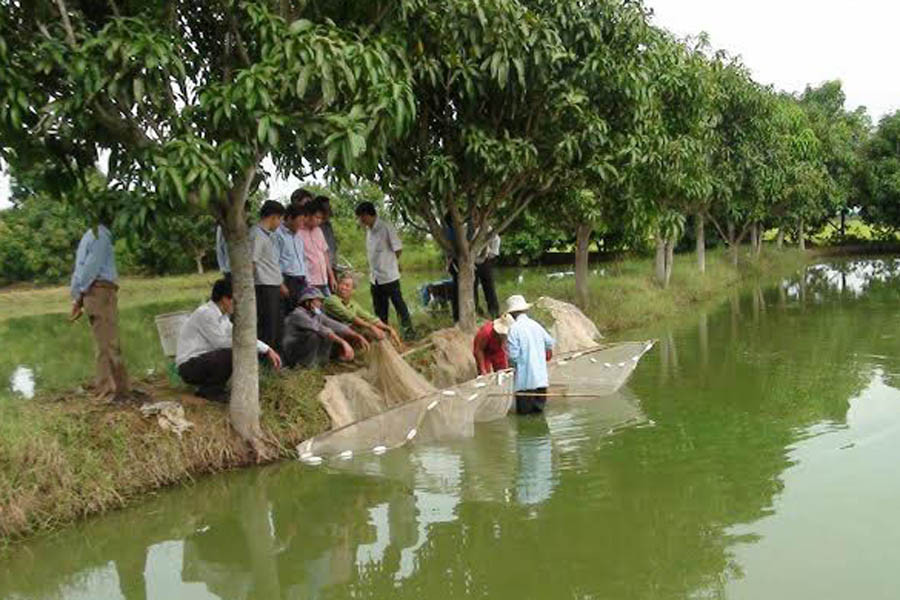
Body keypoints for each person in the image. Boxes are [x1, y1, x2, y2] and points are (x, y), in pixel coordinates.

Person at [176, 279, 282, 401]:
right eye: (234, 300)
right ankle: (210, 391)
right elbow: (220, 343)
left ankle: (214, 388)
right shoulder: (206, 314)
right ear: (225, 299)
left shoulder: (223, 317)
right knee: (231, 353)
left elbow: (240, 336)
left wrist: (267, 349)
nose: (237, 304)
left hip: (202, 361)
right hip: (189, 367)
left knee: (237, 349)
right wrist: (259, 348)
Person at [69, 222, 130, 400]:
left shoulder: (89, 235)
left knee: (105, 343)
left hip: (92, 292)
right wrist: (80, 295)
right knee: (108, 344)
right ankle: (110, 391)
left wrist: (78, 298)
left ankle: (115, 389)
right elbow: (90, 269)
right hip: (100, 290)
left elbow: (80, 270)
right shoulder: (100, 235)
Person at [356, 201, 415, 338]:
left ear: (367, 215)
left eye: (361, 217)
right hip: (374, 277)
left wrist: (392, 263)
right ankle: (384, 334)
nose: (360, 220)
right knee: (380, 308)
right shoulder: (368, 230)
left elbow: (398, 248)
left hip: (389, 276)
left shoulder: (385, 227)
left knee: (399, 305)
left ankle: (409, 332)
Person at [282, 287, 370, 368]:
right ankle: (304, 365)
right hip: (293, 351)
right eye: (318, 301)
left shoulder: (315, 313)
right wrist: (343, 342)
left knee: (331, 332)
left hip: (302, 346)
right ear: (308, 302)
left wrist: (356, 335)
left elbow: (333, 324)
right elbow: (321, 329)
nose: (320, 304)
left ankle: (321, 363)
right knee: (316, 334)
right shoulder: (298, 314)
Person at [506, 294, 555, 415]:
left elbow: (513, 356)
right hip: (541, 382)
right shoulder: (536, 325)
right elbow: (549, 343)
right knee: (539, 416)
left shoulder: (514, 329)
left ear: (512, 314)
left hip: (525, 384)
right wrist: (539, 355)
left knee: (525, 419)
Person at [324, 272, 403, 347]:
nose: (343, 288)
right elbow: (350, 316)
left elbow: (369, 318)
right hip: (331, 337)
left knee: (378, 332)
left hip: (346, 334)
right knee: (369, 331)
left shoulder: (353, 303)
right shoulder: (331, 300)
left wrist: (389, 329)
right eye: (341, 284)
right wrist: (371, 327)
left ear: (353, 290)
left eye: (347, 286)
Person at [250, 200, 288, 353]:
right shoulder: (256, 234)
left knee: (276, 325)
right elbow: (252, 262)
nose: (279, 223)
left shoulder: (268, 235)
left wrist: (280, 283)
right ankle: (266, 360)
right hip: (264, 286)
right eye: (279, 219)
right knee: (268, 326)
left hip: (273, 285)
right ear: (273, 217)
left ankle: (277, 358)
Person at [298, 199, 336, 296]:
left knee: (329, 306)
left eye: (321, 218)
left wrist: (331, 276)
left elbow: (325, 253)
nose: (319, 221)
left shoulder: (318, 231)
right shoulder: (298, 232)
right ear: (308, 215)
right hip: (309, 281)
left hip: (323, 279)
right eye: (317, 217)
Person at [274, 203, 307, 312]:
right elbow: (274, 261)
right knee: (289, 313)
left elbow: (302, 259)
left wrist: (307, 280)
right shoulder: (278, 235)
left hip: (301, 279)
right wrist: (281, 284)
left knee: (302, 312)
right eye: (300, 220)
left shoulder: (298, 237)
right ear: (289, 218)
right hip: (288, 280)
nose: (302, 224)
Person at [475, 232, 501, 318]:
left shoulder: (487, 229)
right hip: (471, 262)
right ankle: (475, 312)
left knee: (489, 287)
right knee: (472, 288)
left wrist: (492, 254)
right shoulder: (466, 228)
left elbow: (496, 240)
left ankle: (494, 312)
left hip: (485, 261)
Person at [316, 194, 340, 275]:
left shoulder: (328, 225)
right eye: (327, 207)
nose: (329, 210)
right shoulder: (315, 228)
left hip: (332, 266)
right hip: (320, 270)